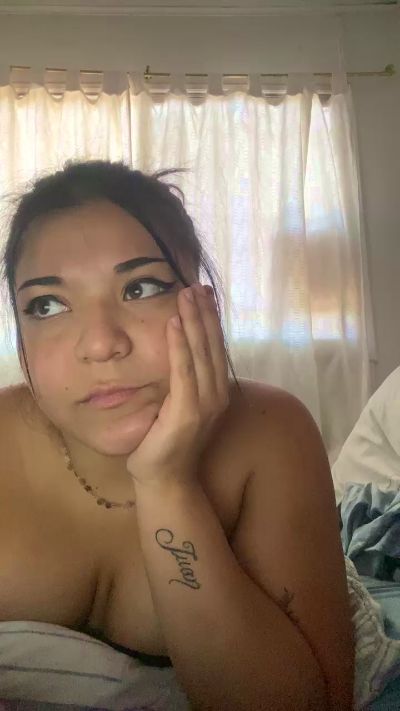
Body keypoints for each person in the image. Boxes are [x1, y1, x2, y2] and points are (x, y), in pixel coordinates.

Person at [0, 160, 354, 710]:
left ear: (201, 301)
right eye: (47, 305)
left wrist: (166, 482)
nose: (101, 344)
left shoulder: (271, 431)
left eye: (141, 288)